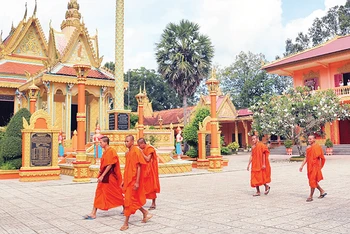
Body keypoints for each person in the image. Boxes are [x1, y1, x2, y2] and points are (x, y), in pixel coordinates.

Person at [83, 136, 124, 219]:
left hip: (109, 177)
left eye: (101, 142)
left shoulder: (111, 151)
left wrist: (102, 175)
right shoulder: (106, 151)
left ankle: (126, 207)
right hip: (105, 177)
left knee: (116, 194)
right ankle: (93, 213)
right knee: (99, 193)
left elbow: (110, 164)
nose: (100, 143)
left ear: (106, 143)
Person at [121, 135, 152, 231]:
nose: (126, 143)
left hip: (134, 180)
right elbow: (127, 167)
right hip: (128, 179)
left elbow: (138, 167)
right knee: (131, 200)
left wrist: (137, 182)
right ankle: (145, 212)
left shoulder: (136, 151)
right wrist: (123, 180)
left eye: (127, 141)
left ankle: (126, 223)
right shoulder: (129, 152)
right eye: (125, 141)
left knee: (128, 201)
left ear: (132, 142)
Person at [299, 135, 327, 202]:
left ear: (314, 139)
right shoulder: (308, 147)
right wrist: (302, 165)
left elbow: (322, 157)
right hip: (310, 166)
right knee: (312, 180)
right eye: (308, 139)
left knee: (312, 180)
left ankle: (310, 196)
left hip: (315, 166)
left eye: (310, 139)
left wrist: (320, 166)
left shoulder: (317, 147)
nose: (309, 140)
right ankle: (322, 191)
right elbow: (306, 157)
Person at [137, 138, 160, 210]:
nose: (139, 146)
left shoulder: (149, 148)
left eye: (139, 145)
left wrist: (141, 152)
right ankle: (141, 201)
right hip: (144, 170)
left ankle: (153, 203)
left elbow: (147, 159)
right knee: (143, 187)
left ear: (143, 143)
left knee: (151, 187)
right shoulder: (143, 149)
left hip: (150, 171)